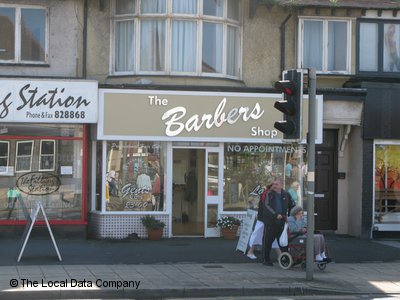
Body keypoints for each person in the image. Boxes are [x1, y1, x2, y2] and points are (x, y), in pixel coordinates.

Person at [258, 178, 296, 266]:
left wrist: (291, 216)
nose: (274, 186)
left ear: (281, 185)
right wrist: (275, 215)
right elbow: (266, 206)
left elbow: (292, 206)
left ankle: (286, 259)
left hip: (282, 222)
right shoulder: (269, 194)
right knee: (268, 241)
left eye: (276, 184)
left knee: (283, 241)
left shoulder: (286, 194)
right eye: (273, 184)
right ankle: (266, 259)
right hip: (270, 221)